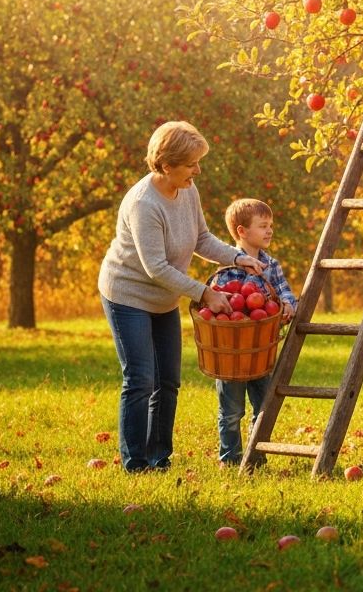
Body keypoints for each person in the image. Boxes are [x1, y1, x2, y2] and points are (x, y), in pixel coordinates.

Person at [98, 121, 263, 473]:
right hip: (128, 294)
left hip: (164, 298)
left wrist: (237, 257)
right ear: (167, 164)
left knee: (168, 381)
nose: (197, 171)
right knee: (140, 378)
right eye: (191, 164)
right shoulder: (144, 204)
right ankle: (135, 463)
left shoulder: (187, 190)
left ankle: (160, 458)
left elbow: (201, 238)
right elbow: (155, 267)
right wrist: (204, 293)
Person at [215, 198, 298, 466]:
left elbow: (285, 291)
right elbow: (221, 304)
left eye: (270, 225)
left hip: (261, 348)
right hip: (232, 351)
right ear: (242, 231)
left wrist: (286, 304)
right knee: (231, 410)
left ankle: (255, 458)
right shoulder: (227, 266)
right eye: (263, 226)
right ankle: (229, 459)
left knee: (262, 406)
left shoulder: (271, 265)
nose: (270, 230)